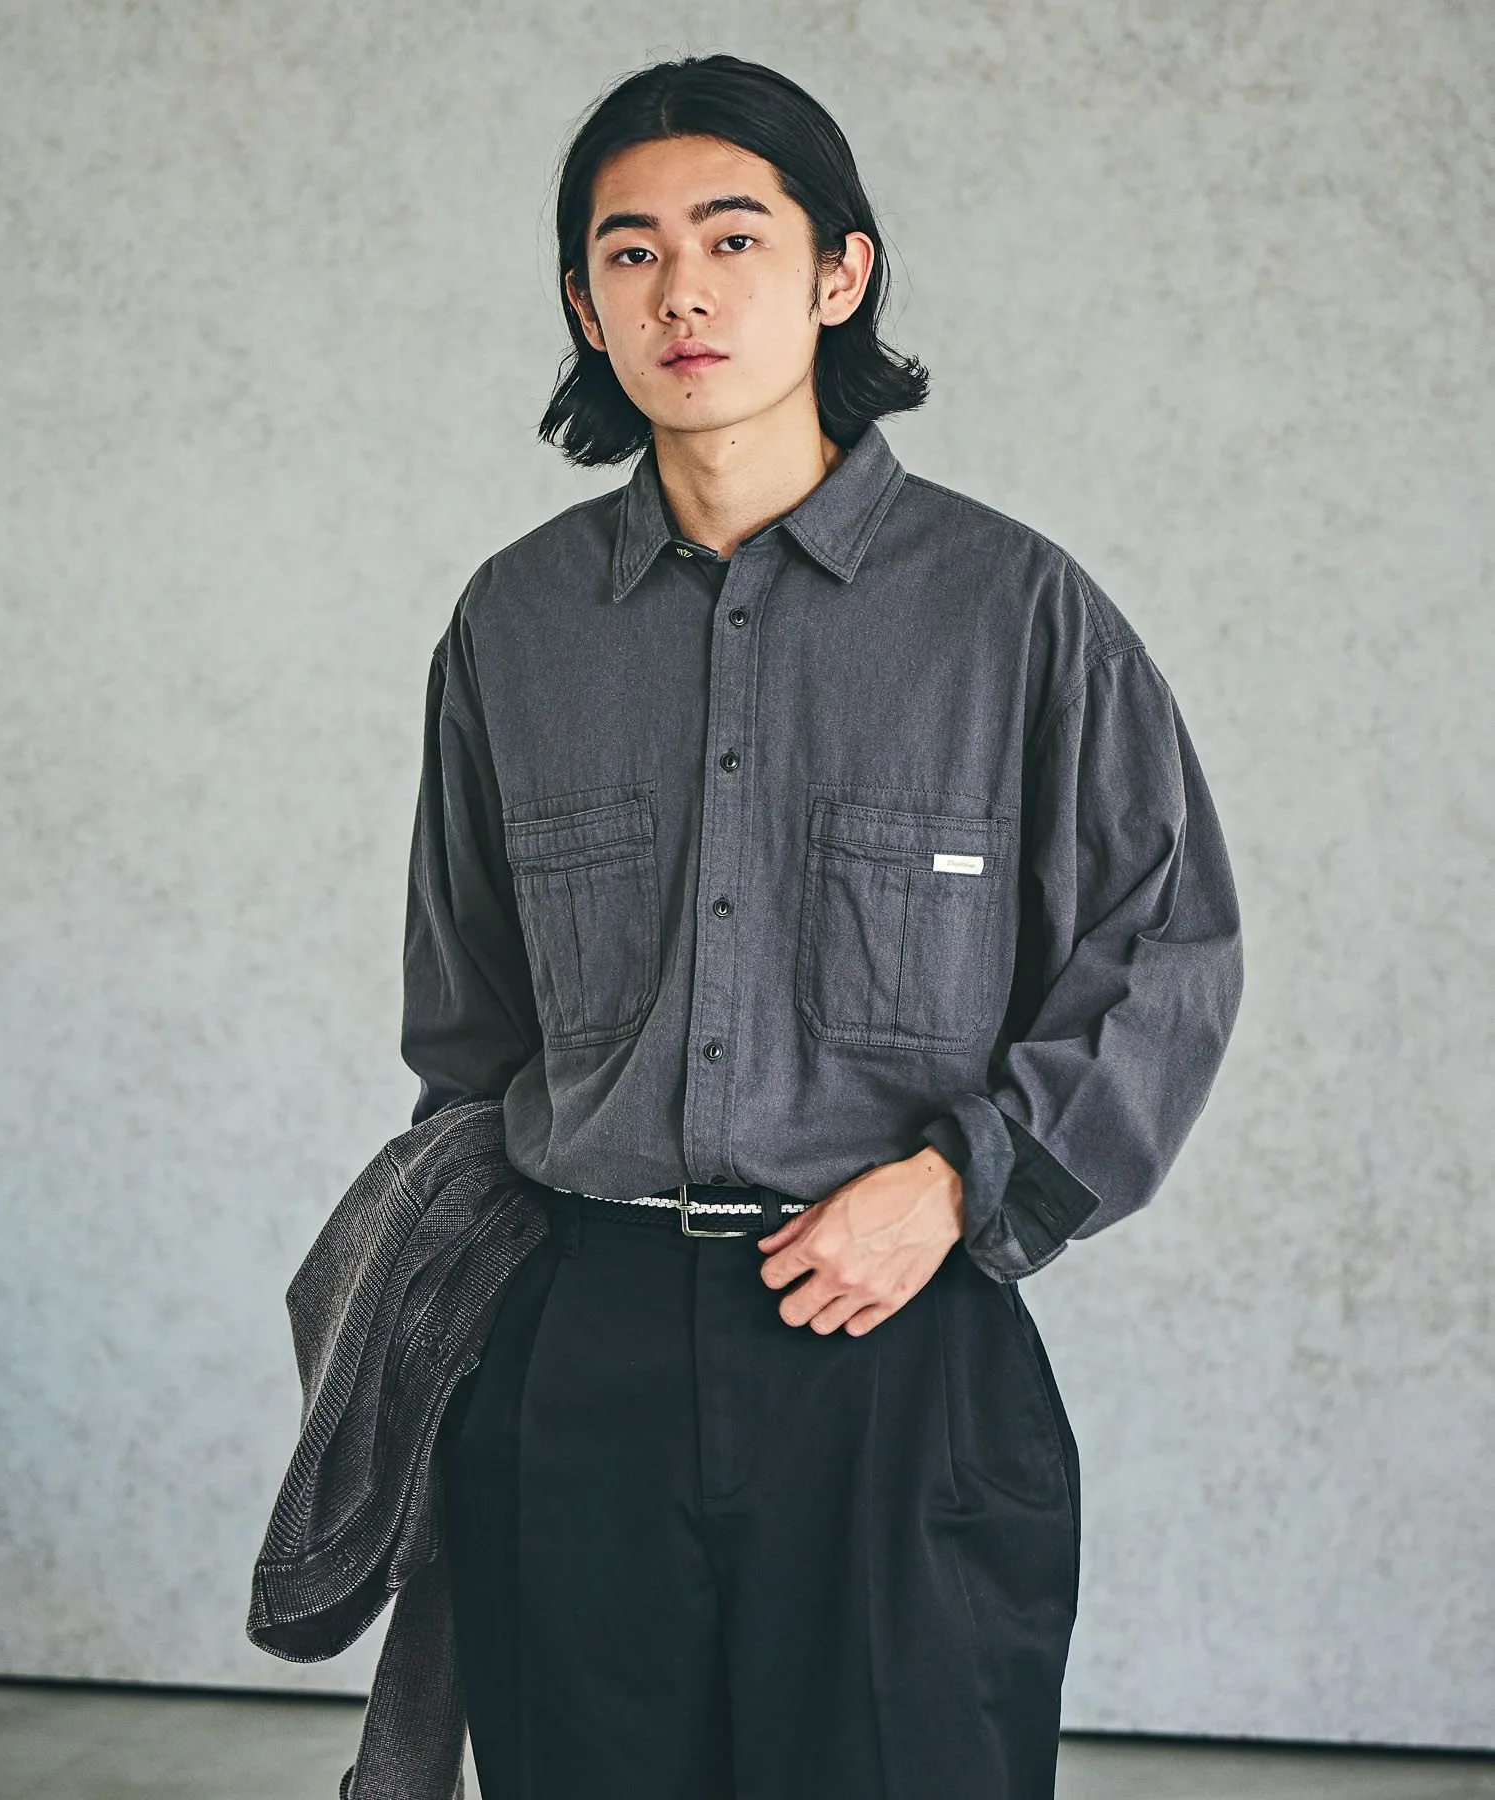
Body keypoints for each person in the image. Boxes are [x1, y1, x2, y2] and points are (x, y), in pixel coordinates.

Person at [399, 51, 1244, 1800]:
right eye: (630, 253)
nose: (683, 292)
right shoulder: (514, 628)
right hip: (583, 1358)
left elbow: (1162, 953)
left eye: (733, 238)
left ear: (840, 273)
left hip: (893, 1352)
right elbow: (471, 1026)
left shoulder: (1013, 612)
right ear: (584, 307)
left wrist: (959, 1184)